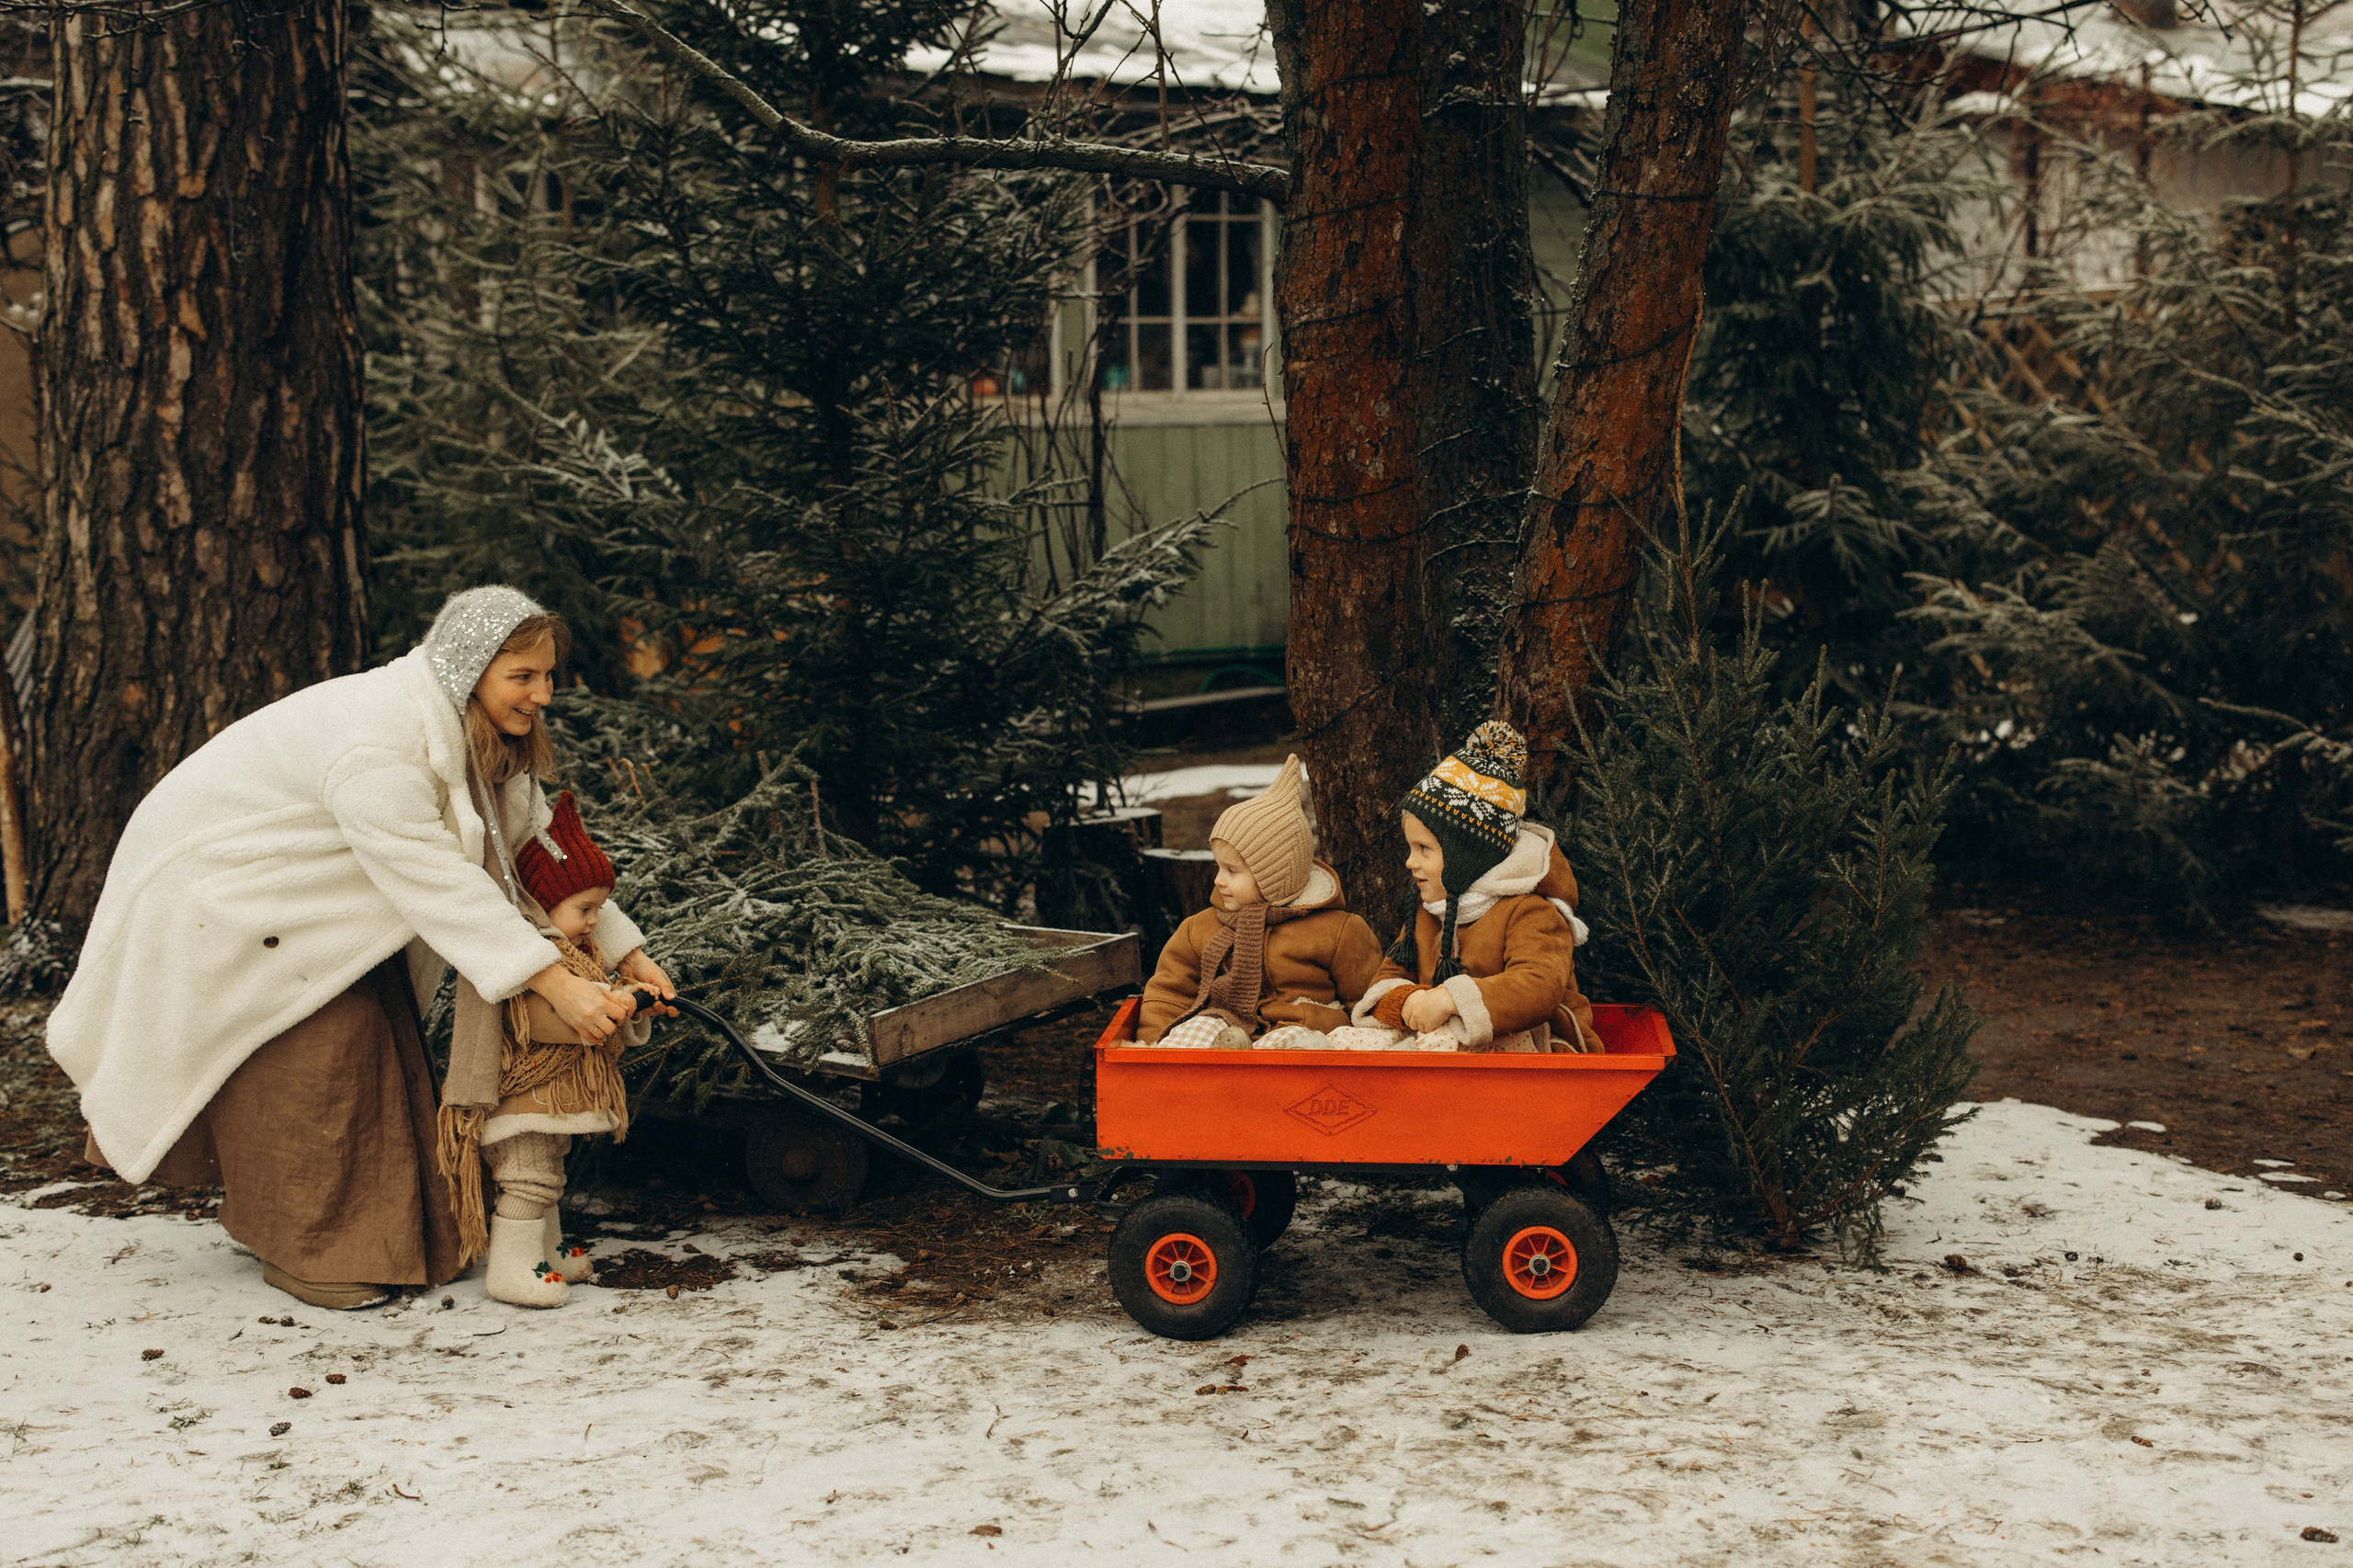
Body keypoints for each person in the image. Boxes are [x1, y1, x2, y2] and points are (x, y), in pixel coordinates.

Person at [48, 586, 676, 1311]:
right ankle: (311, 1250)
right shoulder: (381, 745)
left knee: (376, 1040)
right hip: (228, 899)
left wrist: (624, 951)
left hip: (312, 907)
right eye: (523, 676)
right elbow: (438, 880)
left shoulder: (477, 739)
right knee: (326, 1049)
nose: (544, 694)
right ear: (470, 671)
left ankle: (373, 1234)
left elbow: (535, 849)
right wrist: (554, 984)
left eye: (549, 675)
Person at [441, 790, 647, 1309]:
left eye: (600, 907)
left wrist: (633, 1007)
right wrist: (611, 1004)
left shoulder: (578, 954)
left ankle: (546, 1254)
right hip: (524, 1098)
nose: (596, 920)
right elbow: (541, 1021)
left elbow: (596, 1015)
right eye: (585, 908)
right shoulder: (531, 962)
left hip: (552, 1102)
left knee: (547, 1177)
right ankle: (510, 1268)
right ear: (540, 903)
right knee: (527, 1179)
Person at [1347, 721, 1600, 1054]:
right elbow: (1388, 975)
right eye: (1411, 848)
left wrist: (1451, 998)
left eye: (1424, 848)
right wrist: (1409, 1001)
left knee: (1446, 1043)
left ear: (1466, 856)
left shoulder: (1529, 911)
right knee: (1355, 1041)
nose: (1410, 862)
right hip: (1445, 1041)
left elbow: (1540, 986)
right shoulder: (1427, 911)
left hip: (1538, 1046)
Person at [1138, 754, 1386, 1050]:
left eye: (1232, 871)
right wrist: (1152, 1045)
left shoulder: (1338, 930)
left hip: (1297, 1026)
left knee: (1294, 1045)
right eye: (1219, 867)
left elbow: (1366, 998)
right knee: (1194, 1031)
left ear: (1274, 876)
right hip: (1227, 1023)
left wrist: (1371, 1042)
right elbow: (1170, 991)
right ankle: (1208, 1072)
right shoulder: (1200, 928)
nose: (1218, 880)